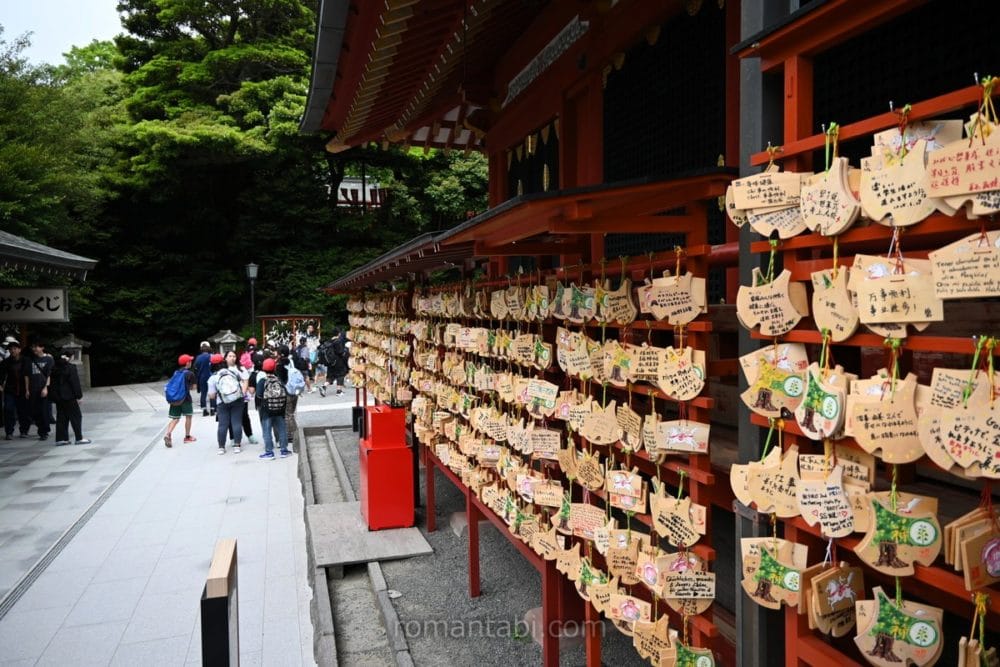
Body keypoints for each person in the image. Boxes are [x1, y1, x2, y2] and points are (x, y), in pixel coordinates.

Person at [50, 348, 90, 445]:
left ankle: (61, 439)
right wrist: (78, 396)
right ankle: (79, 438)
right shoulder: (71, 367)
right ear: (70, 357)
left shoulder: (54, 368)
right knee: (76, 416)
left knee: (61, 417)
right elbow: (74, 383)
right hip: (69, 396)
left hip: (58, 397)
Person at [209, 350, 246, 454]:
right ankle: (237, 446)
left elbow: (211, 396)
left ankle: (221, 447)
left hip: (222, 402)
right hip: (237, 400)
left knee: (223, 425)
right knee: (237, 422)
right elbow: (241, 384)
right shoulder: (234, 372)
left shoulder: (213, 378)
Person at [256, 357, 291, 460]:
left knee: (266, 431)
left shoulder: (262, 381)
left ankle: (269, 452)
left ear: (263, 369)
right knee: (282, 429)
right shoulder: (279, 380)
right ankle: (284, 450)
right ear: (274, 368)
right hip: (280, 409)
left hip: (267, 410)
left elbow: (259, 395)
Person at [164, 354, 198, 447]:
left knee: (175, 418)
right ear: (187, 363)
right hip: (185, 399)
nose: (191, 362)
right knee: (188, 416)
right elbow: (194, 388)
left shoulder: (176, 373)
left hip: (175, 399)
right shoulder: (190, 373)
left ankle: (168, 434)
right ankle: (187, 437)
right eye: (190, 361)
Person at [23, 340, 53, 441]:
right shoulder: (29, 360)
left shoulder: (49, 359)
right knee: (35, 411)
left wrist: (46, 388)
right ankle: (43, 428)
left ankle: (43, 432)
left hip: (44, 388)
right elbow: (26, 376)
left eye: (36, 346)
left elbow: (49, 375)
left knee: (44, 410)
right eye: (33, 347)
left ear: (42, 347)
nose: (34, 349)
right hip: (32, 388)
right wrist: (27, 389)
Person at [0, 339, 27, 439]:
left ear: (19, 350)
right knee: (8, 410)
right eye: (10, 349)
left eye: (15, 349)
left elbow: (28, 374)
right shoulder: (6, 362)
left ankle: (24, 430)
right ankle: (9, 432)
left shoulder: (25, 360)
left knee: (22, 411)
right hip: (10, 389)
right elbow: (1, 374)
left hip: (23, 389)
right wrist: (1, 384)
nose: (12, 351)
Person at [275, 344, 300, 449]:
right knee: (292, 413)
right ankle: (291, 434)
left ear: (280, 353)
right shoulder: (292, 361)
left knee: (288, 415)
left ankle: (295, 435)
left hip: (287, 391)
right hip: (295, 390)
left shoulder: (279, 365)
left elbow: (280, 379)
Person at [322, 328, 350, 396]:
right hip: (338, 362)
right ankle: (339, 391)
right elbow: (340, 352)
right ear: (339, 333)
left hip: (330, 362)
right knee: (340, 375)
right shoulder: (337, 341)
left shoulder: (329, 341)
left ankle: (324, 386)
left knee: (331, 376)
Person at [194, 341, 215, 417]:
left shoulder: (198, 358)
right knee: (212, 392)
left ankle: (204, 410)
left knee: (203, 394)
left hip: (201, 377)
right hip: (210, 376)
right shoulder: (211, 356)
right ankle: (212, 409)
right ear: (209, 348)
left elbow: (196, 368)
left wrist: (196, 379)